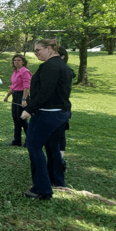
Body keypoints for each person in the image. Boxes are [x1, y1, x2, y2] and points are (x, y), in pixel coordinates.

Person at [21, 39, 73, 200]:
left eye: (38, 50)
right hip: (60, 113)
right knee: (53, 148)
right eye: (34, 51)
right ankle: (57, 181)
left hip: (48, 114)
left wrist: (29, 110)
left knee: (33, 146)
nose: (36, 53)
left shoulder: (50, 66)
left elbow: (46, 91)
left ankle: (42, 189)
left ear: (50, 49)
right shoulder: (62, 65)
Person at [55, 46, 75, 175]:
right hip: (58, 108)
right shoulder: (57, 69)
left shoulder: (64, 71)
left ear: (62, 56)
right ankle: (57, 160)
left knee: (60, 135)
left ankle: (59, 161)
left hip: (60, 109)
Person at [4, 54, 32, 146]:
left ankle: (29, 141)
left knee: (22, 119)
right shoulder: (15, 71)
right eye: (15, 60)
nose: (17, 62)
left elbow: (26, 86)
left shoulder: (25, 71)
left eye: (19, 60)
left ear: (23, 62)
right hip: (15, 96)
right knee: (16, 119)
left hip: (22, 96)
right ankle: (17, 141)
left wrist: (24, 99)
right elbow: (13, 86)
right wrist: (7, 96)